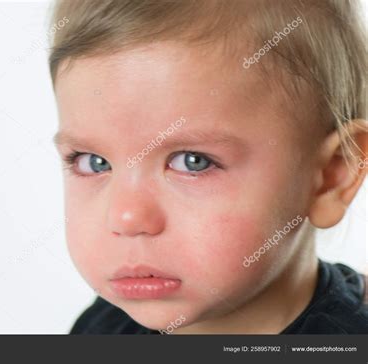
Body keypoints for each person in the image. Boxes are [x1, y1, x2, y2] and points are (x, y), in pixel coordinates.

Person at [48, 0, 368, 334]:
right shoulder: (103, 327)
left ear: (331, 176)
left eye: (192, 162)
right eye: (93, 162)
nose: (126, 217)